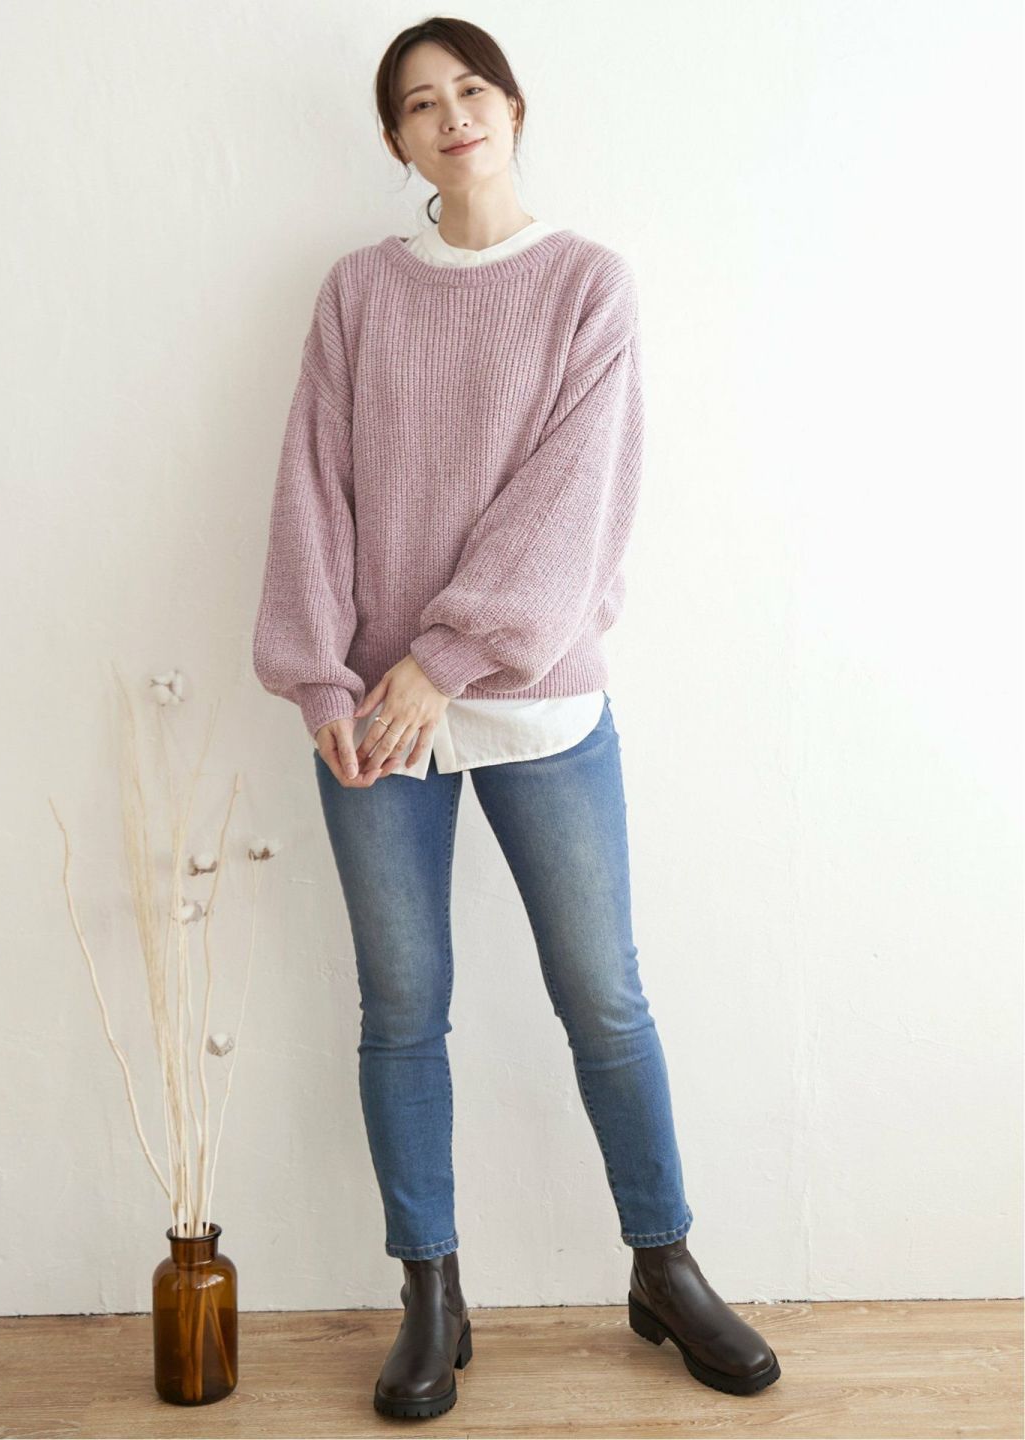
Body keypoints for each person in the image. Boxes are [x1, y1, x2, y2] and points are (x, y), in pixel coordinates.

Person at [252, 16, 780, 1420]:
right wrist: (321, 678)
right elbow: (312, 484)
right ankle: (432, 1293)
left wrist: (446, 659)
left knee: (603, 997)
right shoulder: (359, 292)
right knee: (400, 1009)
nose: (453, 116)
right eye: (421, 103)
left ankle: (664, 1265)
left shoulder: (587, 283)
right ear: (395, 139)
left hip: (534, 706)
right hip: (376, 719)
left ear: (514, 107)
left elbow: (575, 497)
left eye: (471, 89)